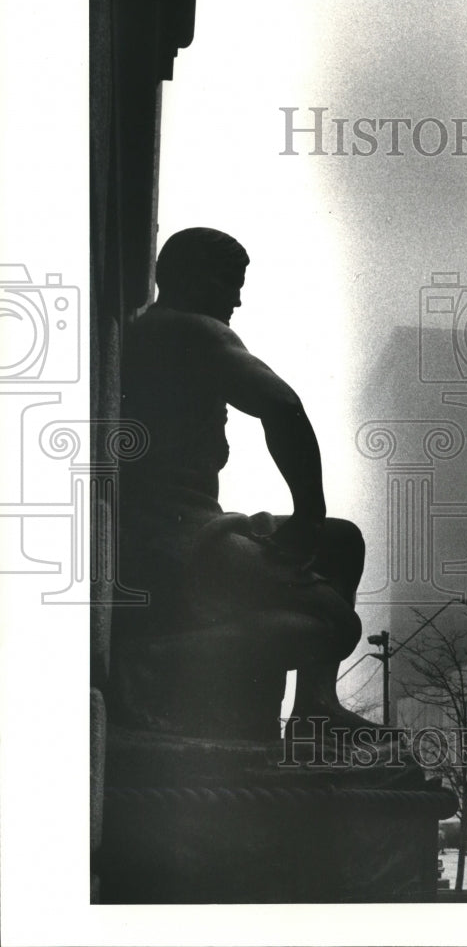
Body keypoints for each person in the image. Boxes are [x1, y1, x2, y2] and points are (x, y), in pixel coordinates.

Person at [115, 226, 374, 737]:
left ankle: (315, 708)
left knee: (342, 543)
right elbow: (282, 405)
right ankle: (150, 662)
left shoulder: (155, 332)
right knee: (336, 626)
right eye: (227, 281)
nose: (236, 298)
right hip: (171, 536)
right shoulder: (191, 330)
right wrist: (306, 516)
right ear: (185, 277)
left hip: (192, 524)